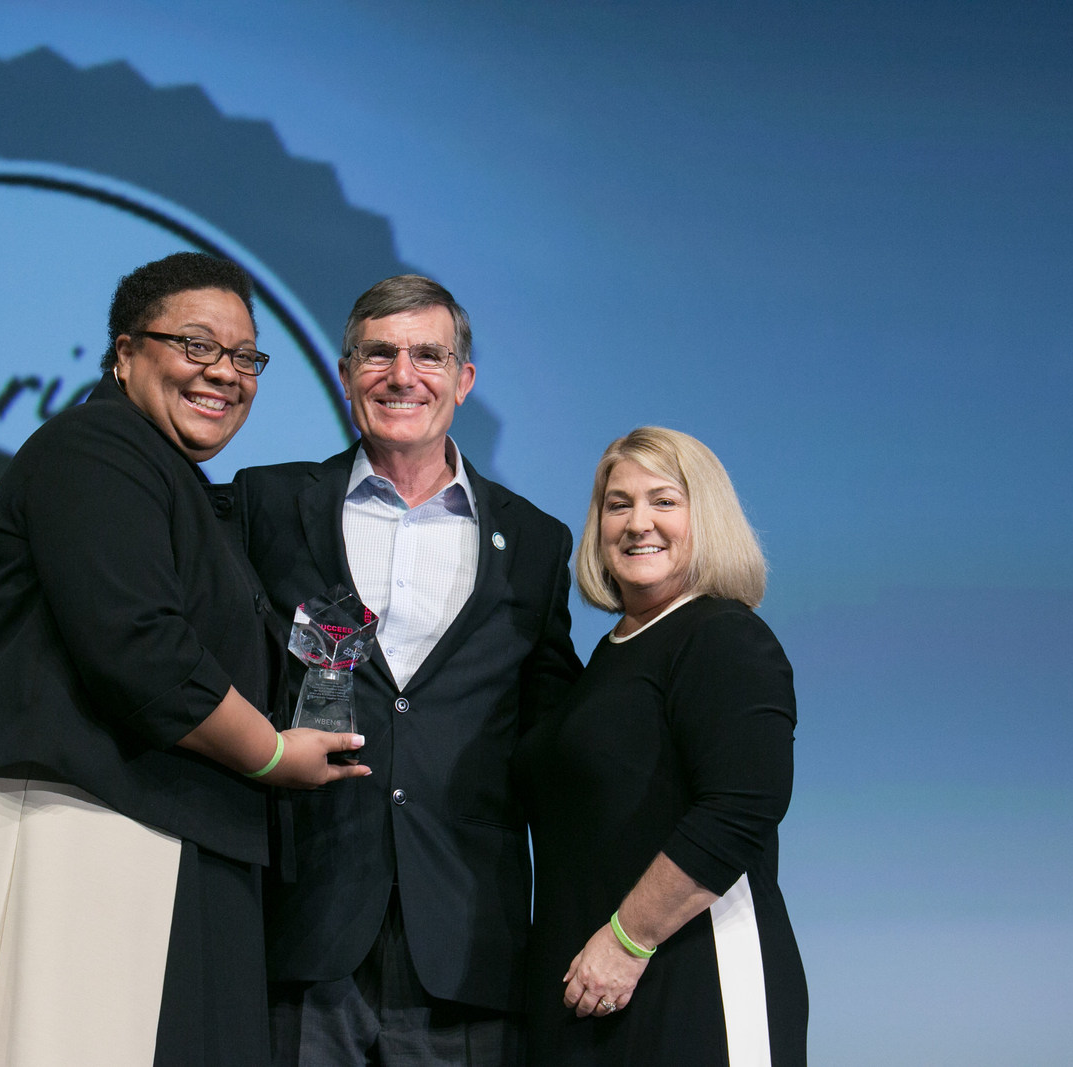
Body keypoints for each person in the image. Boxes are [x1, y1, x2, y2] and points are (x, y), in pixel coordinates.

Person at [0, 252, 368, 1067]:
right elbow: (142, 651)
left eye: (244, 356)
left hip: (165, 830)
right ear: (125, 353)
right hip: (80, 827)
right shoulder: (94, 449)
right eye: (196, 346)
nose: (224, 373)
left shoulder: (176, 482)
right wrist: (271, 753)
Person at [234, 274, 582, 1065]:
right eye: (380, 354)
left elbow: (556, 730)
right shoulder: (266, 504)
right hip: (305, 922)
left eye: (429, 354)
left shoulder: (535, 541)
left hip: (465, 937)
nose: (403, 374)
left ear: (463, 380)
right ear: (345, 371)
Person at [516, 426, 808, 1066]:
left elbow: (740, 810)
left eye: (664, 501)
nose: (637, 522)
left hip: (692, 984)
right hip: (593, 993)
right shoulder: (608, 658)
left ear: (707, 518)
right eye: (617, 504)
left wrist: (627, 942)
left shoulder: (724, 636)